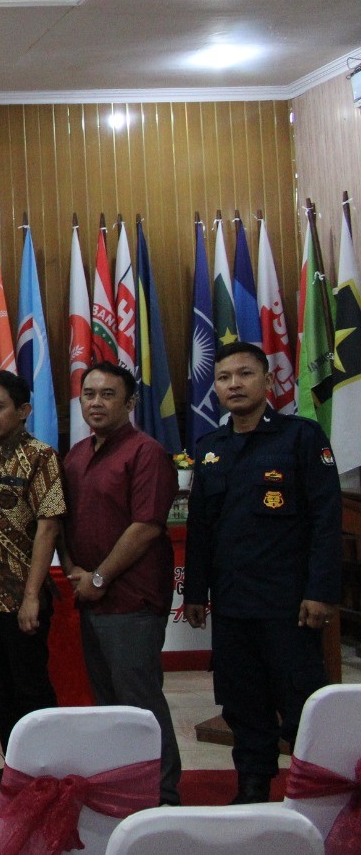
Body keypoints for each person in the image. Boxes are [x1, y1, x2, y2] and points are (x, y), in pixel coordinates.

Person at [184, 342, 341, 804]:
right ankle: (252, 791)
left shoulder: (301, 437)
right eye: (224, 377)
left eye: (245, 374)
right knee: (243, 703)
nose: (234, 384)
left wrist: (321, 591)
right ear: (215, 387)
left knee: (301, 703)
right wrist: (195, 591)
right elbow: (201, 528)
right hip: (233, 604)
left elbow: (326, 520)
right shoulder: (210, 448)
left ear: (268, 381)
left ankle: (323, 794)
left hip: (288, 604)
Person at [61, 360, 181, 806]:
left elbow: (146, 526)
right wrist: (74, 569)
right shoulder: (76, 455)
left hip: (131, 600)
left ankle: (163, 795)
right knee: (109, 704)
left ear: (130, 403)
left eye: (108, 394)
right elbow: (62, 521)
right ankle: (123, 787)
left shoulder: (147, 452)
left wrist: (99, 576)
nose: (96, 402)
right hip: (91, 598)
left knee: (139, 702)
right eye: (89, 394)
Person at [0, 370, 65, 796]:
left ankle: (48, 771)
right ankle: (15, 768)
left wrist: (31, 597)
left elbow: (49, 526)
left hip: (22, 596)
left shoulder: (41, 456)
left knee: (30, 687)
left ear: (23, 411)